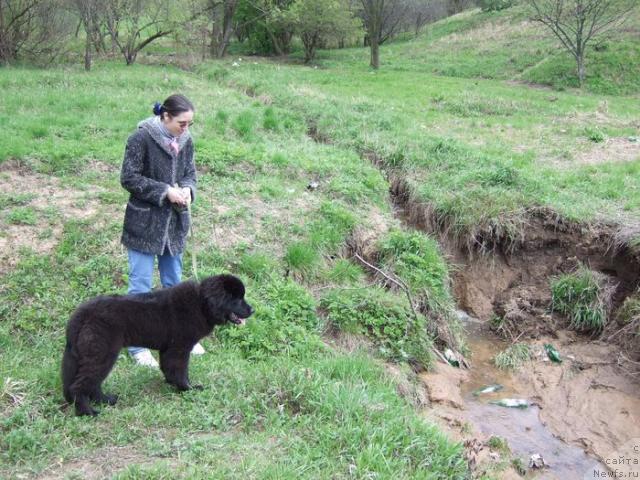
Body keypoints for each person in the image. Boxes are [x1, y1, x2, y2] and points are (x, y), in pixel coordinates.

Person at [120, 94, 204, 367]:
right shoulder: (140, 138)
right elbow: (129, 178)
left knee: (175, 285)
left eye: (190, 123)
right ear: (165, 116)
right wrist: (165, 191)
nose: (186, 129)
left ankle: (182, 338)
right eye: (182, 123)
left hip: (175, 226)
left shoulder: (186, 140)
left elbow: (190, 173)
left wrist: (188, 191)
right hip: (144, 225)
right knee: (141, 287)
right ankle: (137, 347)